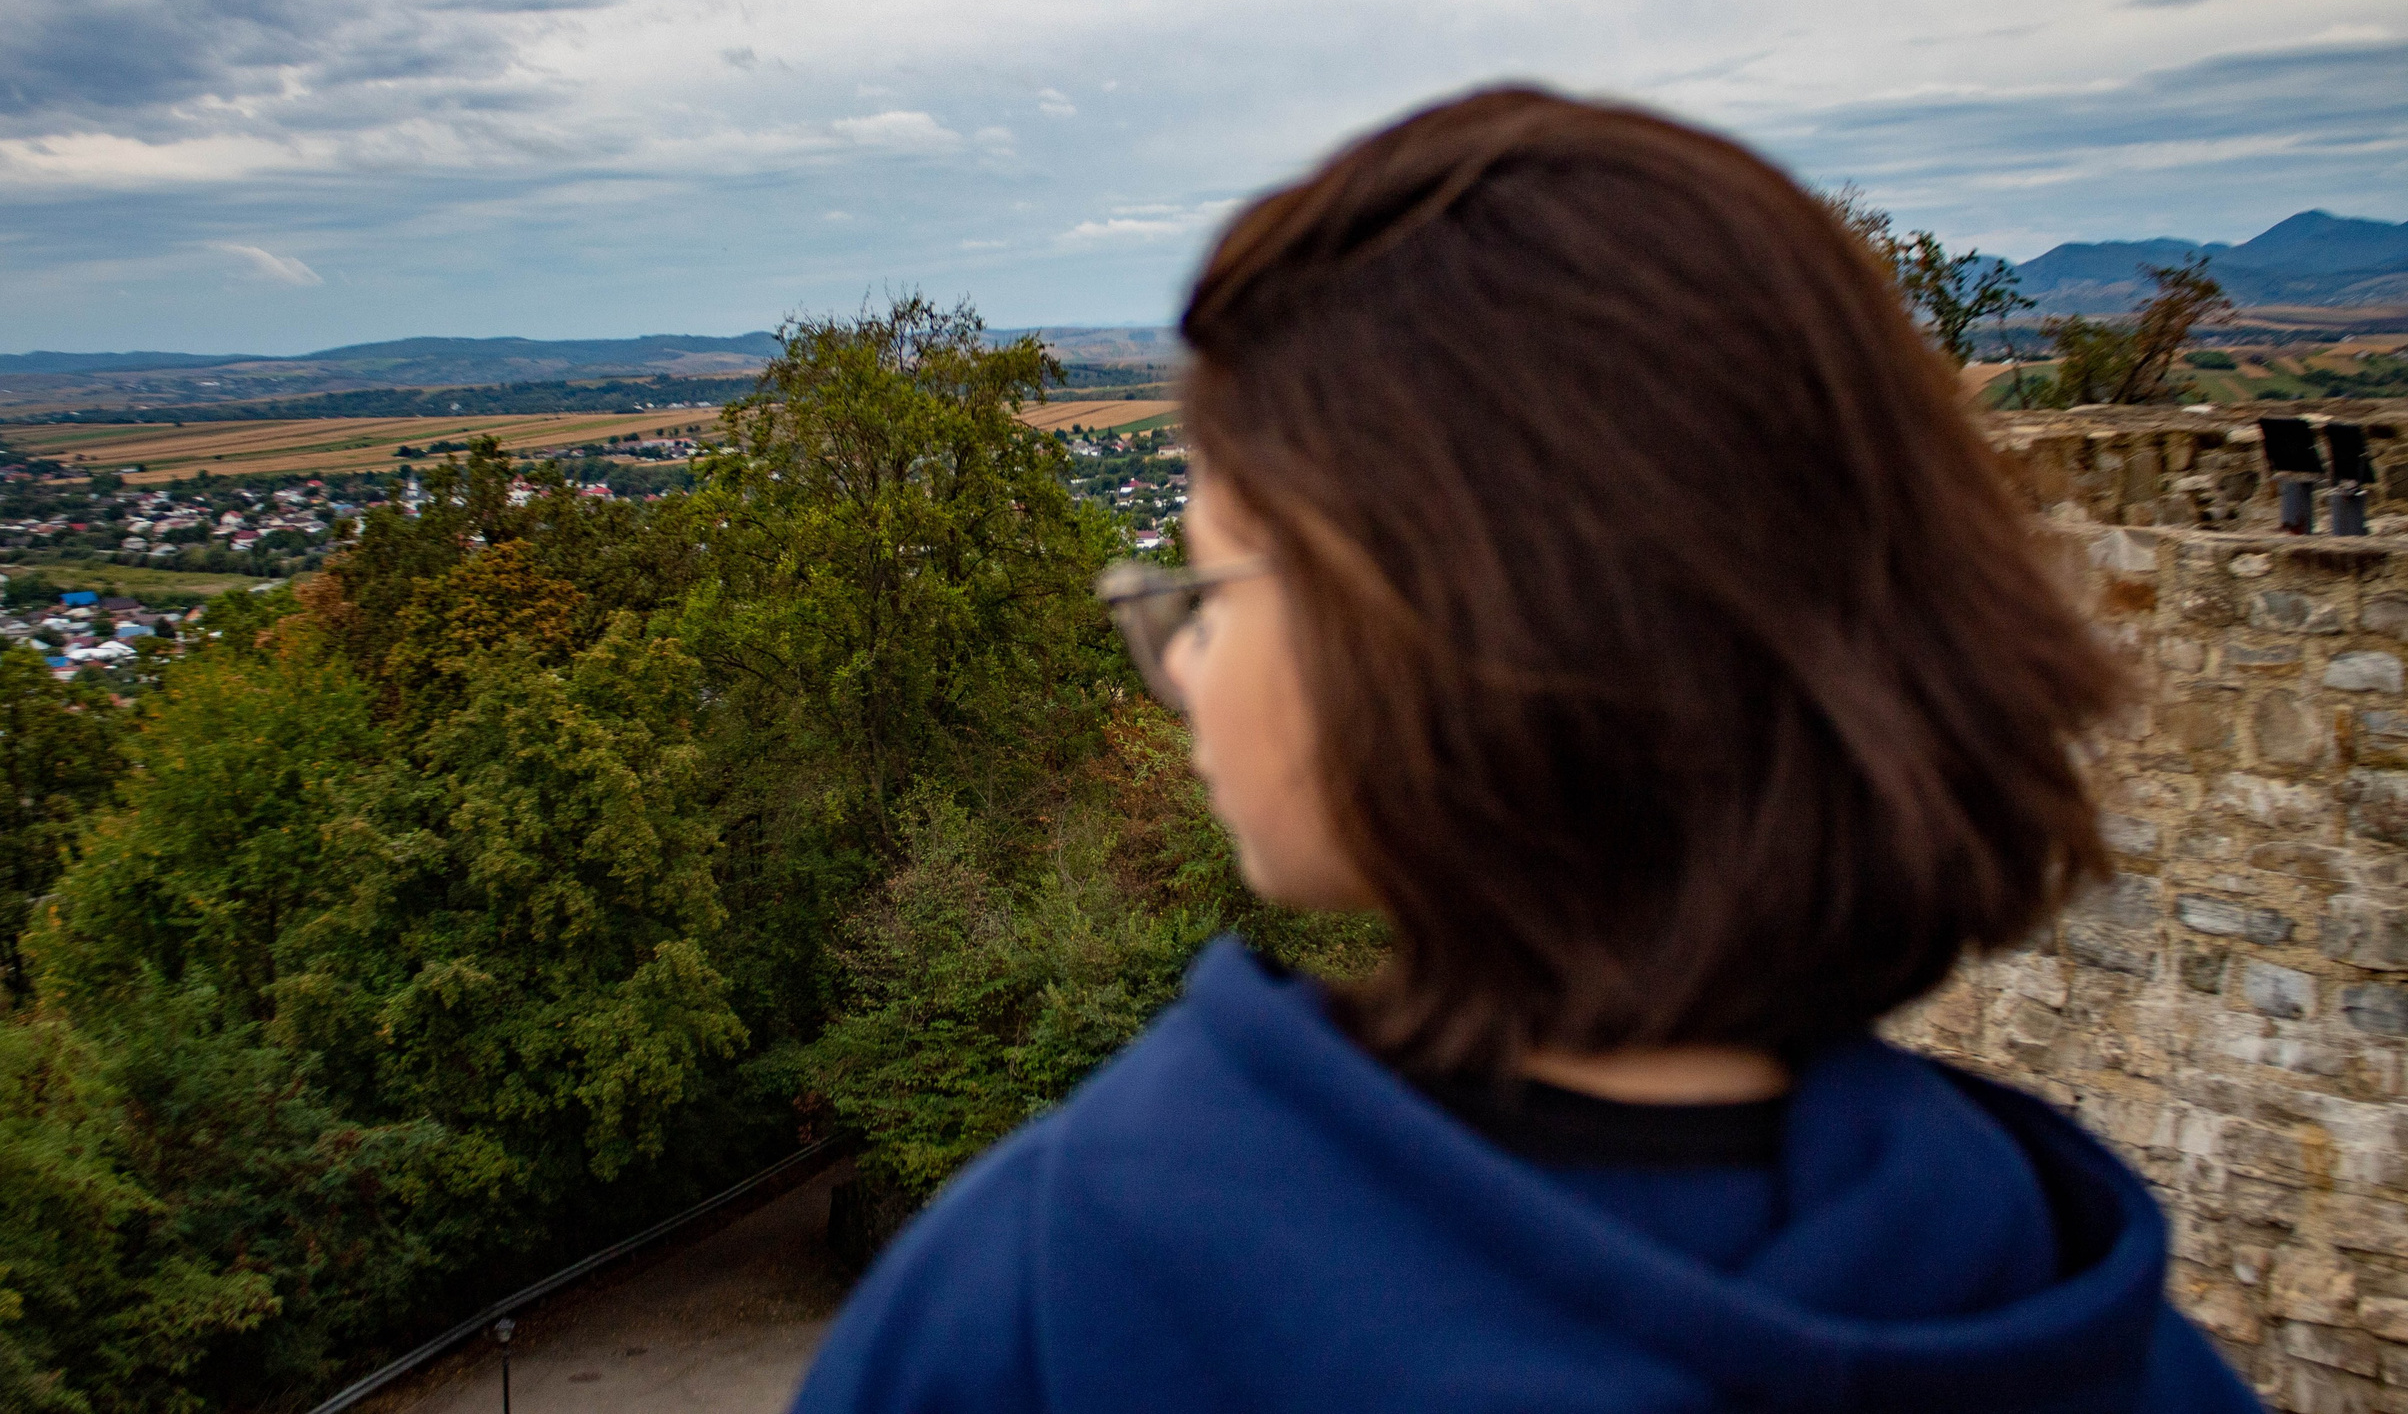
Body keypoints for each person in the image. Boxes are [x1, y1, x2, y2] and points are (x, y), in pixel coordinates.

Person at [790, 88, 2264, 1412]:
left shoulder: (1053, 1298)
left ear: (1433, 632)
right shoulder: (2079, 1309)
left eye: (1213, 580)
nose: (1180, 654)